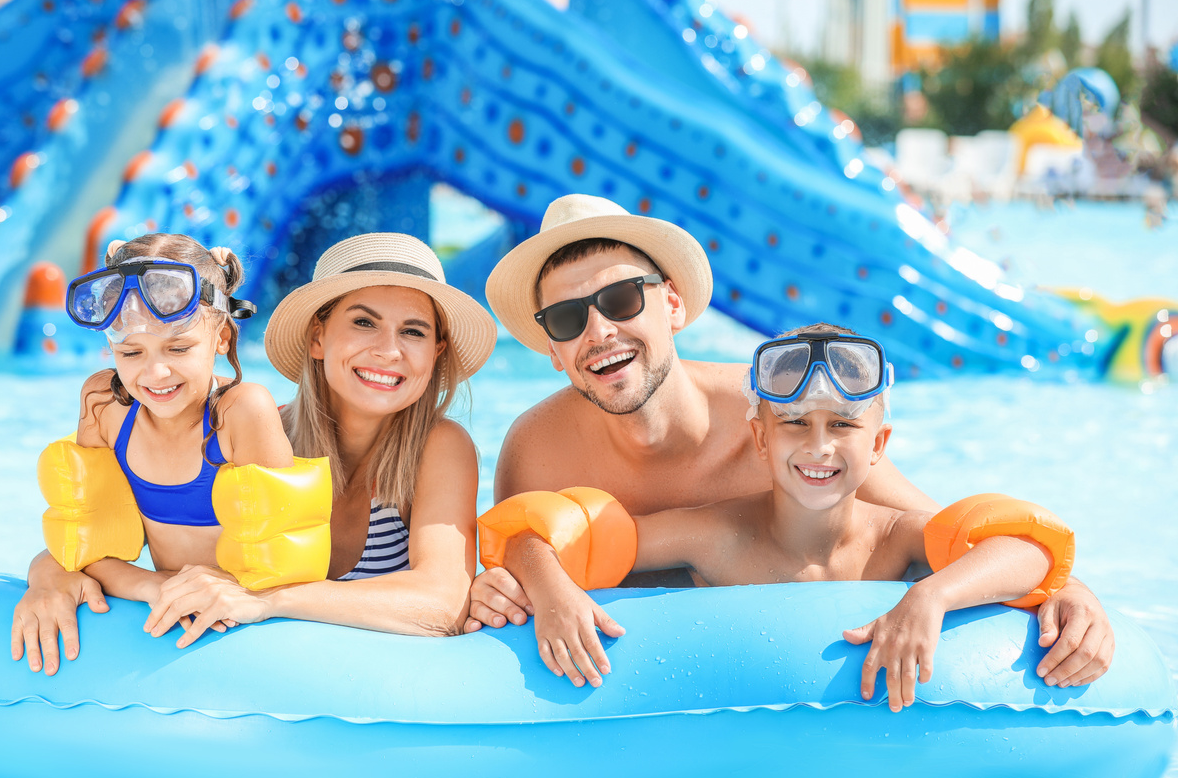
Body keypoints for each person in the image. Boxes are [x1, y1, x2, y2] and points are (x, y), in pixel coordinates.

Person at [467, 193, 1115, 690]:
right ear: (552, 348)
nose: (600, 331)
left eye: (621, 300)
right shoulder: (537, 449)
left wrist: (1064, 586)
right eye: (569, 318)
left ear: (671, 305)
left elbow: (933, 529)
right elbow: (516, 558)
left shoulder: (786, 416)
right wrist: (524, 580)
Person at [479, 325, 1072, 710]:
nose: (818, 448)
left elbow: (1026, 546)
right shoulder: (712, 534)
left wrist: (930, 599)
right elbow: (565, 536)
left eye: (842, 425)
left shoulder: (896, 538)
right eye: (794, 425)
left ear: (879, 445)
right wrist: (548, 582)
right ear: (759, 440)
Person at [138, 232, 496, 644]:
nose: (389, 351)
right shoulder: (250, 434)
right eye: (364, 322)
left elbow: (442, 604)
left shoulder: (439, 448)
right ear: (317, 337)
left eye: (413, 332)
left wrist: (272, 599)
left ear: (436, 352)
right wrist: (51, 569)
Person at [13, 233, 293, 673]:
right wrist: (150, 586)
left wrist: (175, 588)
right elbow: (86, 546)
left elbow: (289, 563)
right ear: (111, 347)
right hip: (167, 608)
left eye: (179, 348)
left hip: (249, 621)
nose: (155, 373)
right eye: (131, 351)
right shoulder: (104, 406)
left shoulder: (243, 412)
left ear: (221, 337)